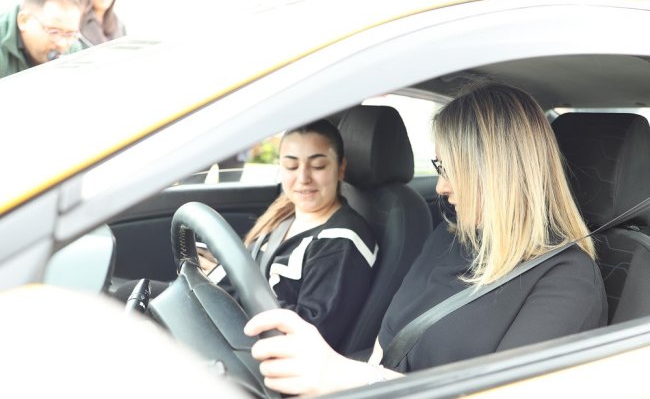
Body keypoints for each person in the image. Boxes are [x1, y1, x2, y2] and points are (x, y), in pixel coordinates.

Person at [243, 83, 608, 396]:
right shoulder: (450, 236)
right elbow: (386, 345)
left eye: (450, 169)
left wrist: (349, 377)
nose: (440, 187)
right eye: (438, 168)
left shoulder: (567, 281)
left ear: (496, 173)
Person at [116, 119, 377, 353]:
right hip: (235, 319)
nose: (303, 178)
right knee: (132, 294)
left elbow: (308, 334)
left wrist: (223, 281)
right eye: (291, 165)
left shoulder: (341, 242)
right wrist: (218, 275)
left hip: (256, 348)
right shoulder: (286, 214)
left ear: (340, 168)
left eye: (318, 165)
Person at [0, 0, 82, 79]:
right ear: (23, 21)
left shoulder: (73, 47)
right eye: (54, 32)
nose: (63, 44)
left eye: (70, 34)